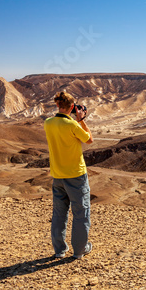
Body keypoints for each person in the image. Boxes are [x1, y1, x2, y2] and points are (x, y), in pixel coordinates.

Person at [44, 91, 94, 259]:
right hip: (76, 175)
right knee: (81, 213)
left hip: (57, 175)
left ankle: (59, 250)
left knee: (59, 213)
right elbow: (88, 139)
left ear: (57, 105)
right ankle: (80, 250)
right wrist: (81, 119)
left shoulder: (48, 123)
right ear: (72, 107)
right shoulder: (73, 125)